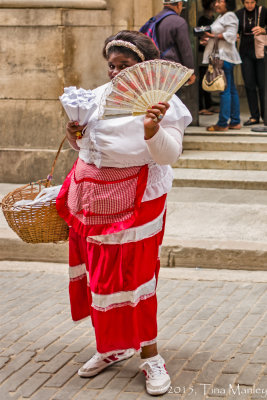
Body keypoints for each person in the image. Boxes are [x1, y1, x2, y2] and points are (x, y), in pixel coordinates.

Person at [56, 30, 192, 396]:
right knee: (100, 278)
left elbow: (168, 155)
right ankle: (111, 347)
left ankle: (150, 355)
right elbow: (87, 146)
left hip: (138, 201)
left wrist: (152, 130)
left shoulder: (166, 104)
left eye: (125, 66)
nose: (116, 73)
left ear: (145, 68)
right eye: (112, 66)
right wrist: (75, 133)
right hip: (91, 201)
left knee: (133, 278)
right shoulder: (97, 98)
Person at [201, 0, 242, 131]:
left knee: (225, 91)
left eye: (220, 1)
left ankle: (223, 123)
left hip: (224, 57)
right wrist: (209, 39)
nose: (216, 4)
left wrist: (212, 36)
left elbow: (231, 36)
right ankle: (235, 121)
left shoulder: (230, 15)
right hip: (224, 57)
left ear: (228, 3)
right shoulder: (221, 16)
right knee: (231, 90)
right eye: (215, 2)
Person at [236, 0, 267, 125]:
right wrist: (236, 35)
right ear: (243, 2)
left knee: (263, 85)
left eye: (252, 2)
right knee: (249, 84)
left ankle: (266, 116)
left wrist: (264, 30)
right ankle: (254, 116)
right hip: (245, 52)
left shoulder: (263, 11)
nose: (250, 5)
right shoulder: (239, 14)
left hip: (260, 52)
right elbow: (236, 30)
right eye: (247, 2)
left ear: (256, 2)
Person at [153, 0, 196, 86]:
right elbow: (185, 49)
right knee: (173, 97)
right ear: (179, 4)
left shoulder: (155, 19)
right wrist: (190, 71)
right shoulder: (179, 22)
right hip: (172, 70)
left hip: (156, 68)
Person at [198, 0, 216, 115]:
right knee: (202, 80)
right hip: (202, 53)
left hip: (210, 52)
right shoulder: (202, 19)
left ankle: (209, 105)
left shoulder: (212, 17)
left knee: (208, 78)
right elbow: (200, 35)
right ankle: (201, 107)